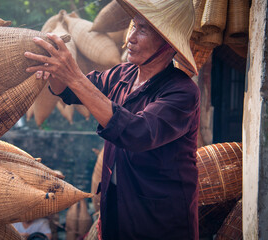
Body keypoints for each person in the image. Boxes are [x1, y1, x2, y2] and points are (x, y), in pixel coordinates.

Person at [24, 0, 200, 239]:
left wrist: (73, 75)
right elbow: (72, 90)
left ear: (167, 46)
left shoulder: (182, 91)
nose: (131, 38)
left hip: (159, 219)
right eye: (133, 26)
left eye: (143, 30)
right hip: (116, 205)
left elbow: (138, 133)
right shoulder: (123, 74)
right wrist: (55, 72)